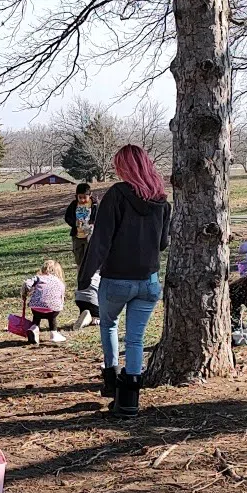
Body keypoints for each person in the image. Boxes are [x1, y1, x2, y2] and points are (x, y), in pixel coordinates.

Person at [78, 144, 170, 418]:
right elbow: (163, 243)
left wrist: (84, 277)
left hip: (117, 279)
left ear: (124, 168)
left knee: (108, 325)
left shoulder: (116, 195)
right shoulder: (162, 200)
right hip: (149, 281)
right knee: (136, 339)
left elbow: (101, 240)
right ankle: (130, 400)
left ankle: (111, 380)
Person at [21, 259, 69, 345]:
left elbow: (27, 283)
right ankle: (54, 333)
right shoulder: (59, 282)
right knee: (52, 318)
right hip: (53, 308)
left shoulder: (39, 278)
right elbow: (62, 296)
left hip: (36, 307)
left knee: (36, 317)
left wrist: (25, 292)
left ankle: (34, 328)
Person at [63, 182, 96, 268]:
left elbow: (100, 217)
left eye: (85, 197)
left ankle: (90, 276)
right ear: (76, 196)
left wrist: (92, 224)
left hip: (90, 236)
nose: (82, 200)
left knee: (89, 258)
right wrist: (75, 223)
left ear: (90, 195)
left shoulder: (95, 205)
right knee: (79, 260)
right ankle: (80, 275)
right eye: (80, 197)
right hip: (77, 236)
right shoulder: (74, 204)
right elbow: (67, 217)